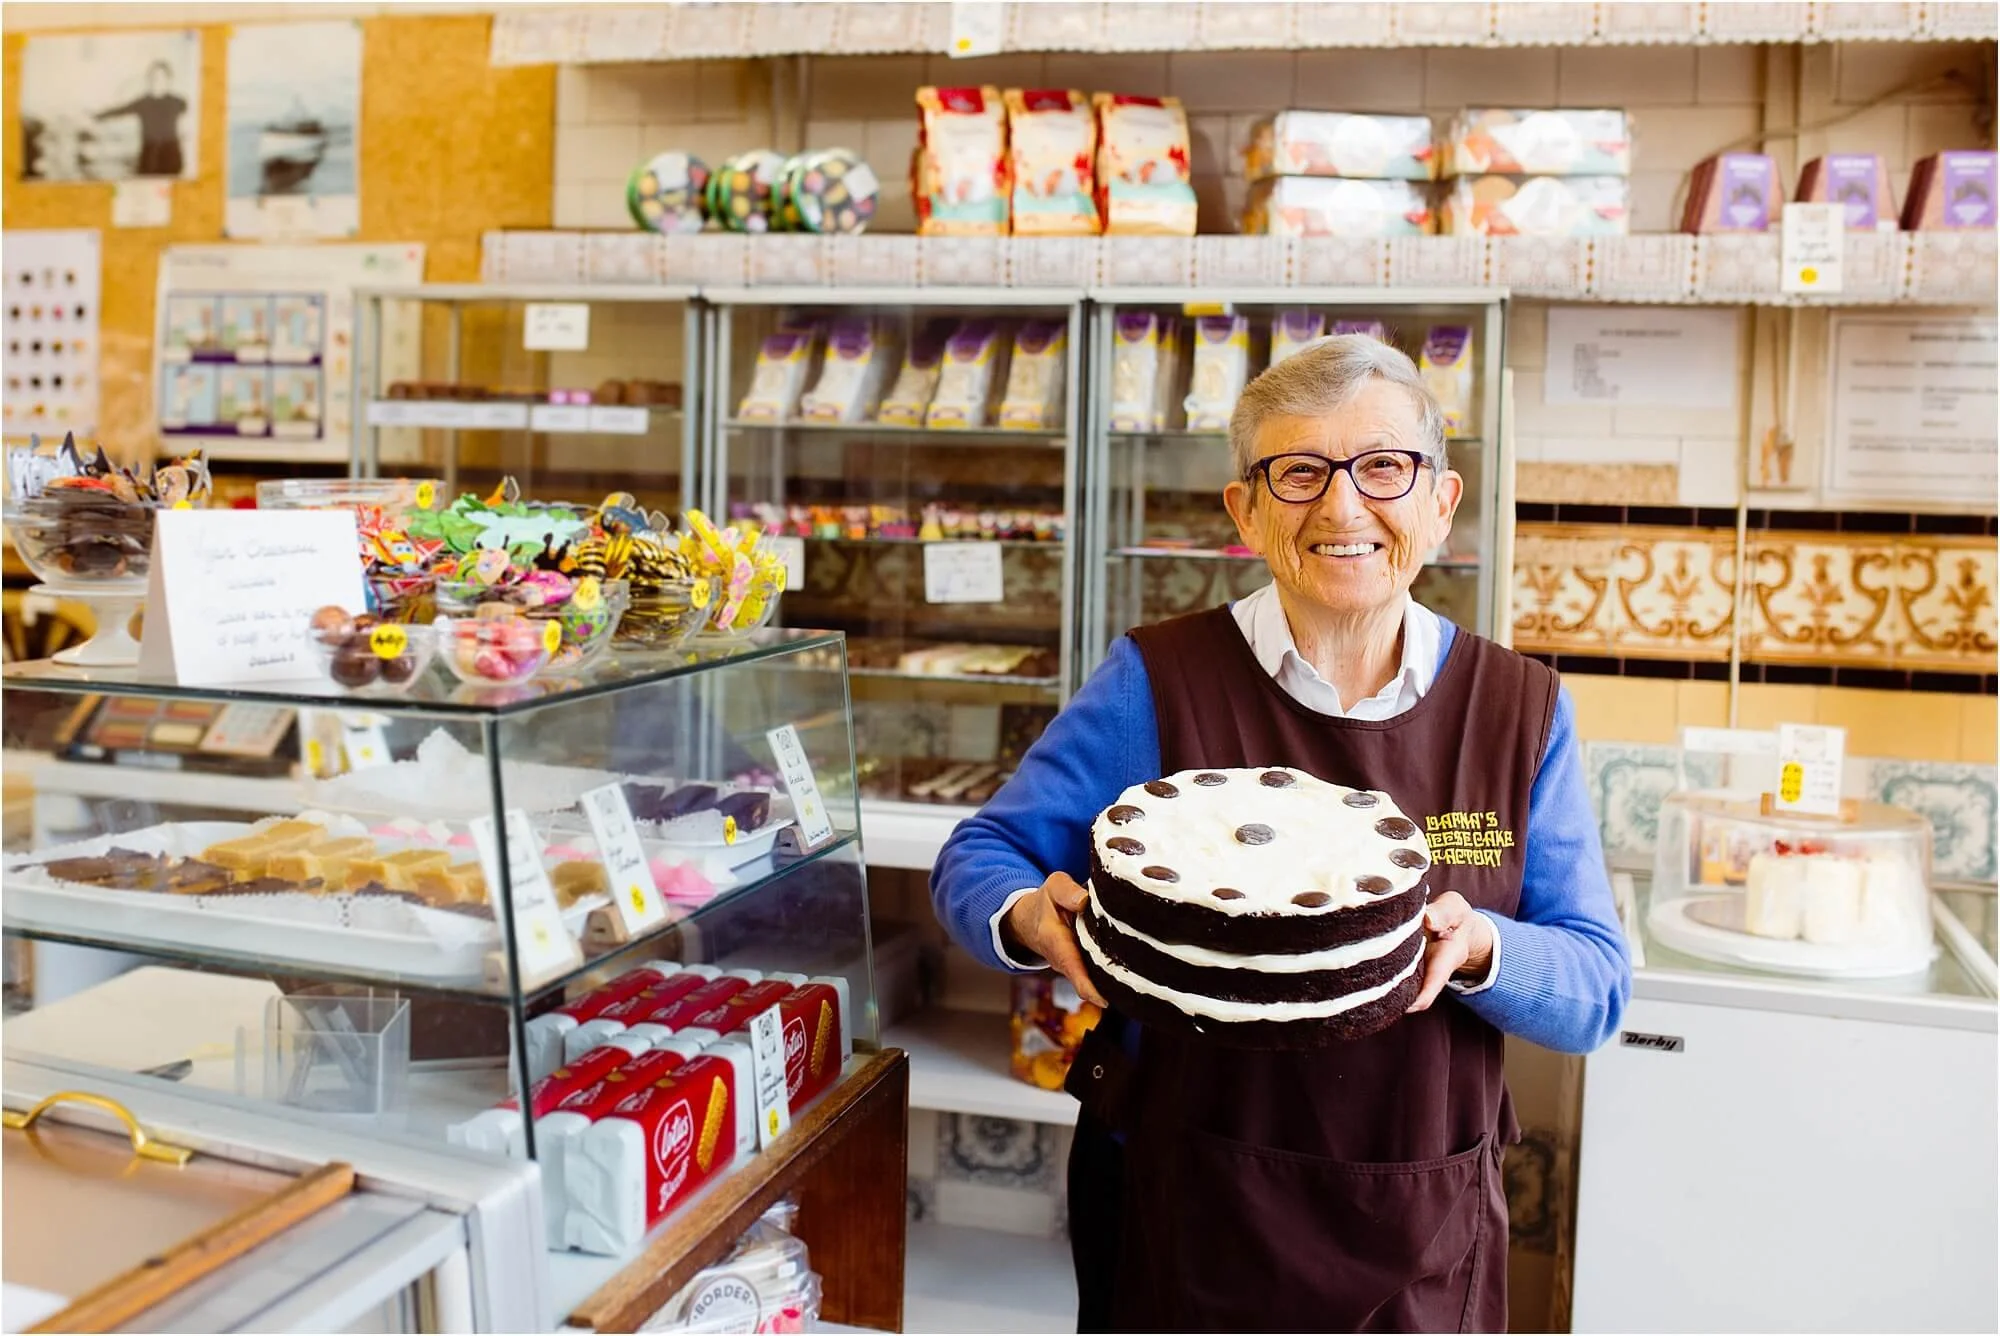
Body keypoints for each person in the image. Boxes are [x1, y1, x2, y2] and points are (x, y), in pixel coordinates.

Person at [931, 335, 1631, 1333]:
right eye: (1299, 472)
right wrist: (1026, 920)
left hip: (1421, 1229)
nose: (1342, 508)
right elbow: (981, 855)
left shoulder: (1518, 712)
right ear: (1246, 511)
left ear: (1440, 502)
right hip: (1183, 1210)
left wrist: (1483, 947)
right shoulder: (1156, 681)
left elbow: (1596, 988)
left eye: (1383, 467)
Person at [94, 60, 187, 178]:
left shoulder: (178, 103)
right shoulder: (143, 103)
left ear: (169, 80)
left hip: (171, 157)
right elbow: (120, 110)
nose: (158, 81)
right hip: (149, 158)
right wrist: (96, 116)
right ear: (149, 80)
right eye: (154, 77)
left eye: (162, 77)